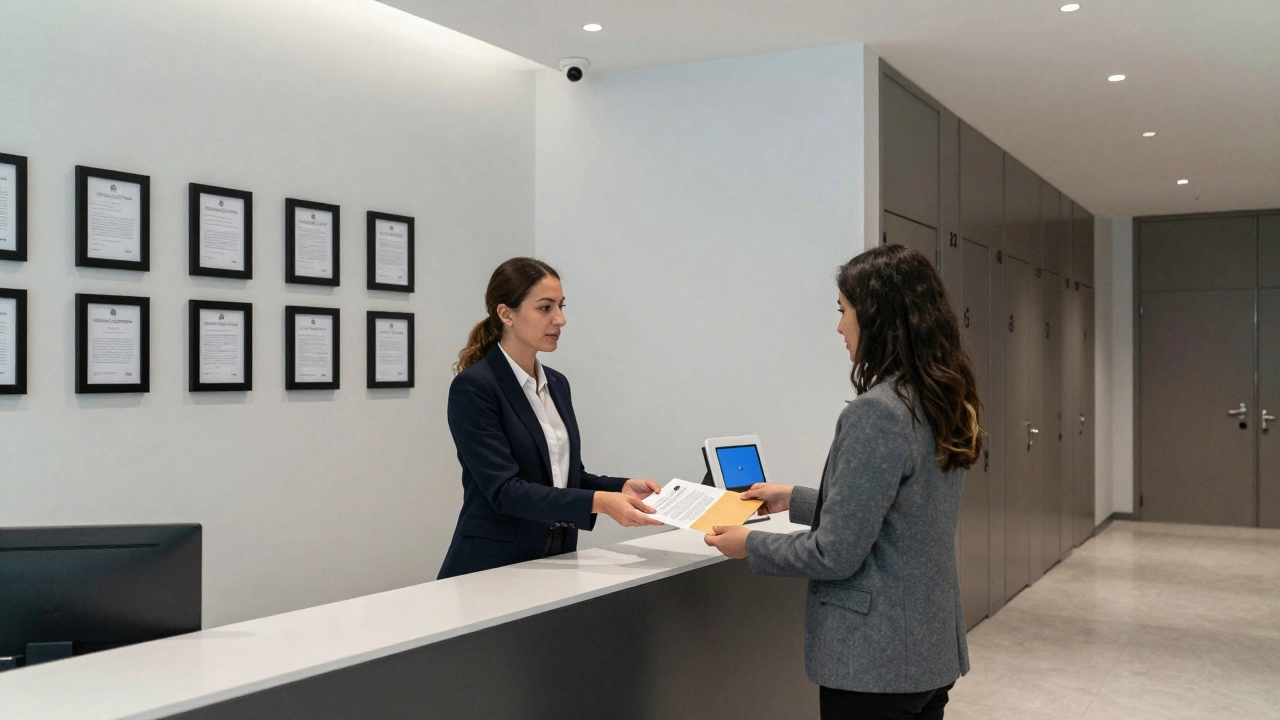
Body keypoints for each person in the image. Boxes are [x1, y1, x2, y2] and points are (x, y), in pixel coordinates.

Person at [705, 245, 982, 719]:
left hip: (874, 664)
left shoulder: (877, 412)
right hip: (928, 651)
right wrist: (793, 499)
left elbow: (834, 554)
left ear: (877, 316)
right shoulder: (939, 399)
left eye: (843, 311)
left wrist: (749, 544)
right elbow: (901, 512)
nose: (839, 327)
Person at [438, 257, 662, 579]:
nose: (560, 319)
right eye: (545, 308)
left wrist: (620, 487)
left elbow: (565, 475)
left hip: (555, 560)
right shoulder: (475, 387)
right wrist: (600, 502)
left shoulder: (557, 383)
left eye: (561, 306)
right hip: (491, 567)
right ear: (506, 314)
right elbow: (505, 491)